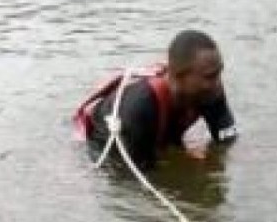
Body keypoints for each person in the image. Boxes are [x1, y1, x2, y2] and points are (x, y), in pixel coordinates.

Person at [74, 30, 238, 169]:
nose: (217, 83)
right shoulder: (139, 108)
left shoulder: (210, 91)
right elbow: (133, 175)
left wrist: (214, 161)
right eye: (210, 76)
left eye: (219, 72)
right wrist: (186, 163)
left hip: (156, 134)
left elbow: (226, 140)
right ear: (179, 76)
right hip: (104, 145)